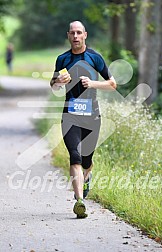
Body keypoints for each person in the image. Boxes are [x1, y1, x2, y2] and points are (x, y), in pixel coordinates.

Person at [50, 21, 116, 218]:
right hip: (70, 116)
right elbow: (53, 86)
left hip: (92, 117)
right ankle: (79, 202)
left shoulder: (94, 57)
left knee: (87, 160)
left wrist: (93, 83)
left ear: (85, 35)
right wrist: (57, 82)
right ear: (68, 35)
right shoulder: (62, 59)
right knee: (75, 156)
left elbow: (112, 84)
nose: (76, 36)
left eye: (79, 33)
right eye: (72, 33)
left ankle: (87, 177)